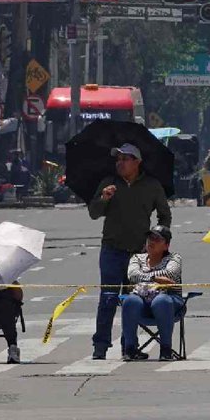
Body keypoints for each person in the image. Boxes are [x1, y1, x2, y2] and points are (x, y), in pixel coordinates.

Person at [86, 143, 172, 360]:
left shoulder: (151, 185)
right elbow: (93, 213)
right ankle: (101, 347)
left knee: (133, 300)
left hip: (138, 253)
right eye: (118, 159)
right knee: (108, 298)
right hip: (112, 250)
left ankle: (129, 346)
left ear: (137, 162)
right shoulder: (109, 183)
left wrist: (157, 239)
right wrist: (103, 198)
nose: (120, 163)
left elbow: (165, 215)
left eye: (125, 159)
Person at [120, 226, 183, 361]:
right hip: (141, 299)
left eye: (156, 239)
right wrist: (154, 278)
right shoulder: (137, 257)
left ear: (166, 245)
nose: (151, 242)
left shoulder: (174, 258)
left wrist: (145, 275)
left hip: (169, 301)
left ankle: (166, 350)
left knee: (161, 301)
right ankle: (130, 349)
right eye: (149, 238)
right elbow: (132, 275)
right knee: (130, 301)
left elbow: (170, 273)